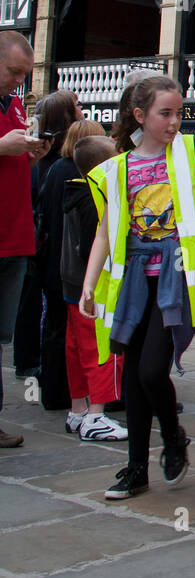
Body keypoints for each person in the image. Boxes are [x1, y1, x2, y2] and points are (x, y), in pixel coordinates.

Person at [79, 76, 195, 500]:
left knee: (150, 371)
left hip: (175, 280)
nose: (174, 121)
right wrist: (90, 283)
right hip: (132, 284)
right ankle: (135, 469)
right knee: (134, 378)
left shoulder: (187, 148)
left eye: (179, 112)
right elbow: (106, 232)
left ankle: (172, 436)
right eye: (166, 113)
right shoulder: (118, 167)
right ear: (140, 116)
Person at [35, 116, 106, 413]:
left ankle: (69, 402)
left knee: (68, 340)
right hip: (82, 278)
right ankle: (95, 411)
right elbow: (93, 241)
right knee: (93, 347)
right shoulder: (88, 188)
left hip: (61, 271)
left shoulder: (55, 172)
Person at [0, 32, 50, 447]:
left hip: (15, 235)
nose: (18, 81)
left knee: (2, 334)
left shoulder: (15, 105)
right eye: (13, 71)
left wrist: (29, 154)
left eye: (23, 74)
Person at [62, 133, 127, 441]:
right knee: (103, 350)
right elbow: (102, 244)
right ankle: (96, 415)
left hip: (70, 283)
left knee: (75, 350)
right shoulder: (97, 199)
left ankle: (77, 410)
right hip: (96, 287)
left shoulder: (73, 192)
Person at [14, 89, 82, 381]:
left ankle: (33, 363)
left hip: (41, 248)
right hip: (41, 249)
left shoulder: (49, 162)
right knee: (42, 312)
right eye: (77, 107)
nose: (82, 111)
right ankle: (33, 365)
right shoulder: (52, 165)